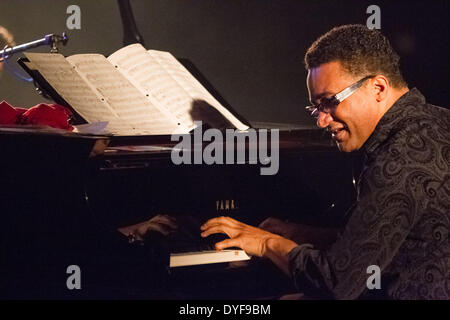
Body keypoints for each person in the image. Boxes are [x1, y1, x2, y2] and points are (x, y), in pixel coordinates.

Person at [200, 24, 450, 299]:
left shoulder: (403, 153)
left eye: (330, 102)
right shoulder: (433, 122)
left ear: (378, 87)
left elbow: (335, 284)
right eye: (316, 108)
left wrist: (268, 243)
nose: (322, 120)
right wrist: (300, 234)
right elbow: (384, 241)